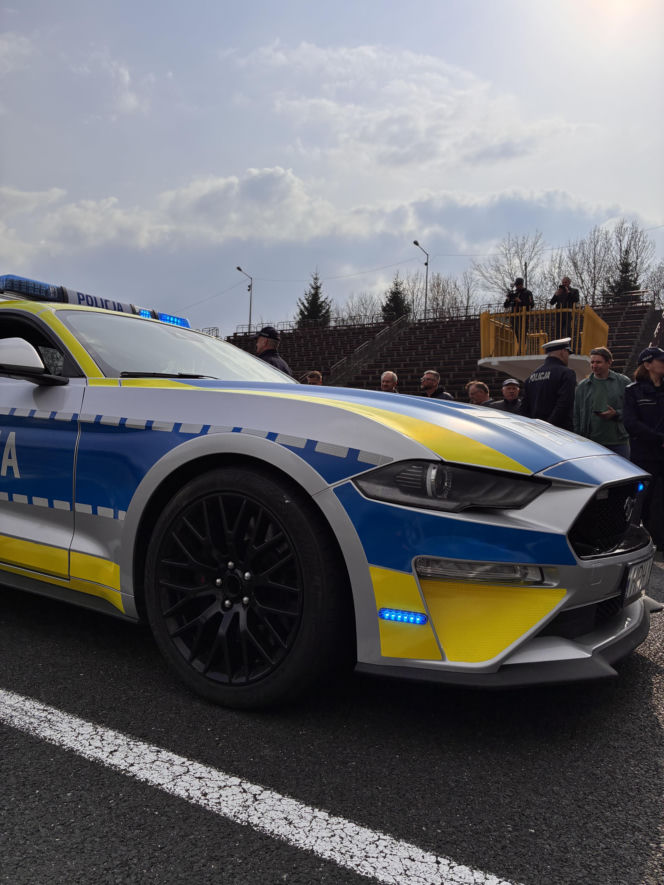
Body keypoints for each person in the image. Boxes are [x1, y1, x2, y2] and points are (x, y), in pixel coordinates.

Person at [623, 346, 664, 557]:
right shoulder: (633, 391)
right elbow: (631, 423)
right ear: (648, 364)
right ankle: (635, 540)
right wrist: (658, 438)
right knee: (642, 500)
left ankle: (660, 542)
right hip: (644, 455)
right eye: (661, 360)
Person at [573, 347, 630, 456]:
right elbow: (576, 415)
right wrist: (579, 439)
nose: (594, 365)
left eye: (598, 362)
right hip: (591, 443)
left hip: (618, 442)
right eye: (592, 362)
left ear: (609, 362)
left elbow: (633, 410)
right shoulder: (582, 386)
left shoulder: (623, 382)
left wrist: (616, 414)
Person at [519, 337, 576, 430]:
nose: (568, 357)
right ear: (563, 352)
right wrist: (548, 427)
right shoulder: (566, 373)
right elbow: (564, 404)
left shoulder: (531, 376)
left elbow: (524, 408)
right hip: (559, 431)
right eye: (568, 353)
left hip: (535, 431)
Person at [503, 277, 534, 353]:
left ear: (521, 285)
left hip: (523, 317)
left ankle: (523, 349)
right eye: (516, 285)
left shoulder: (527, 293)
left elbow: (531, 305)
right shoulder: (514, 294)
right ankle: (521, 349)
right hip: (514, 317)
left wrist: (520, 301)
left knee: (522, 334)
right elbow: (506, 305)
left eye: (518, 285)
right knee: (517, 334)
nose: (517, 287)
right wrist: (508, 299)